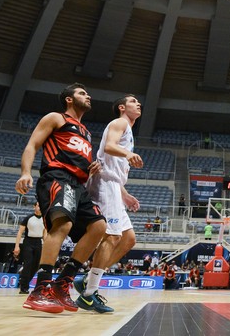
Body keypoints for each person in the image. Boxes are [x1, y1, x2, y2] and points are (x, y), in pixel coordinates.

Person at [14, 83, 107, 313]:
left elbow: (78, 160)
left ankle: (61, 285)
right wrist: (25, 172)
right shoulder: (56, 118)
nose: (88, 96)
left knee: (98, 227)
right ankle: (41, 289)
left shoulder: (85, 132)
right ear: (68, 99)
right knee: (62, 224)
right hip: (57, 177)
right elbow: (32, 144)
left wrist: (90, 168)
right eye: (82, 93)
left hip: (78, 184)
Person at [73, 94, 143, 313]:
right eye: (133, 101)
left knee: (128, 239)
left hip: (113, 186)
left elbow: (113, 169)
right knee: (112, 236)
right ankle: (88, 294)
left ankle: (87, 279)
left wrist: (125, 195)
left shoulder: (128, 130)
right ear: (122, 107)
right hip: (104, 185)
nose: (138, 104)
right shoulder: (119, 122)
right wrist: (128, 153)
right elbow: (109, 148)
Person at [14, 202, 46, 294]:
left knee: (36, 266)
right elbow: (20, 232)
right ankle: (24, 288)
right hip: (28, 242)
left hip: (38, 243)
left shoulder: (44, 219)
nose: (40, 208)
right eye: (38, 206)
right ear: (34, 207)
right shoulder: (28, 218)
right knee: (27, 264)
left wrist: (46, 245)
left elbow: (45, 234)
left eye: (41, 206)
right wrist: (17, 246)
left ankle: (24, 281)